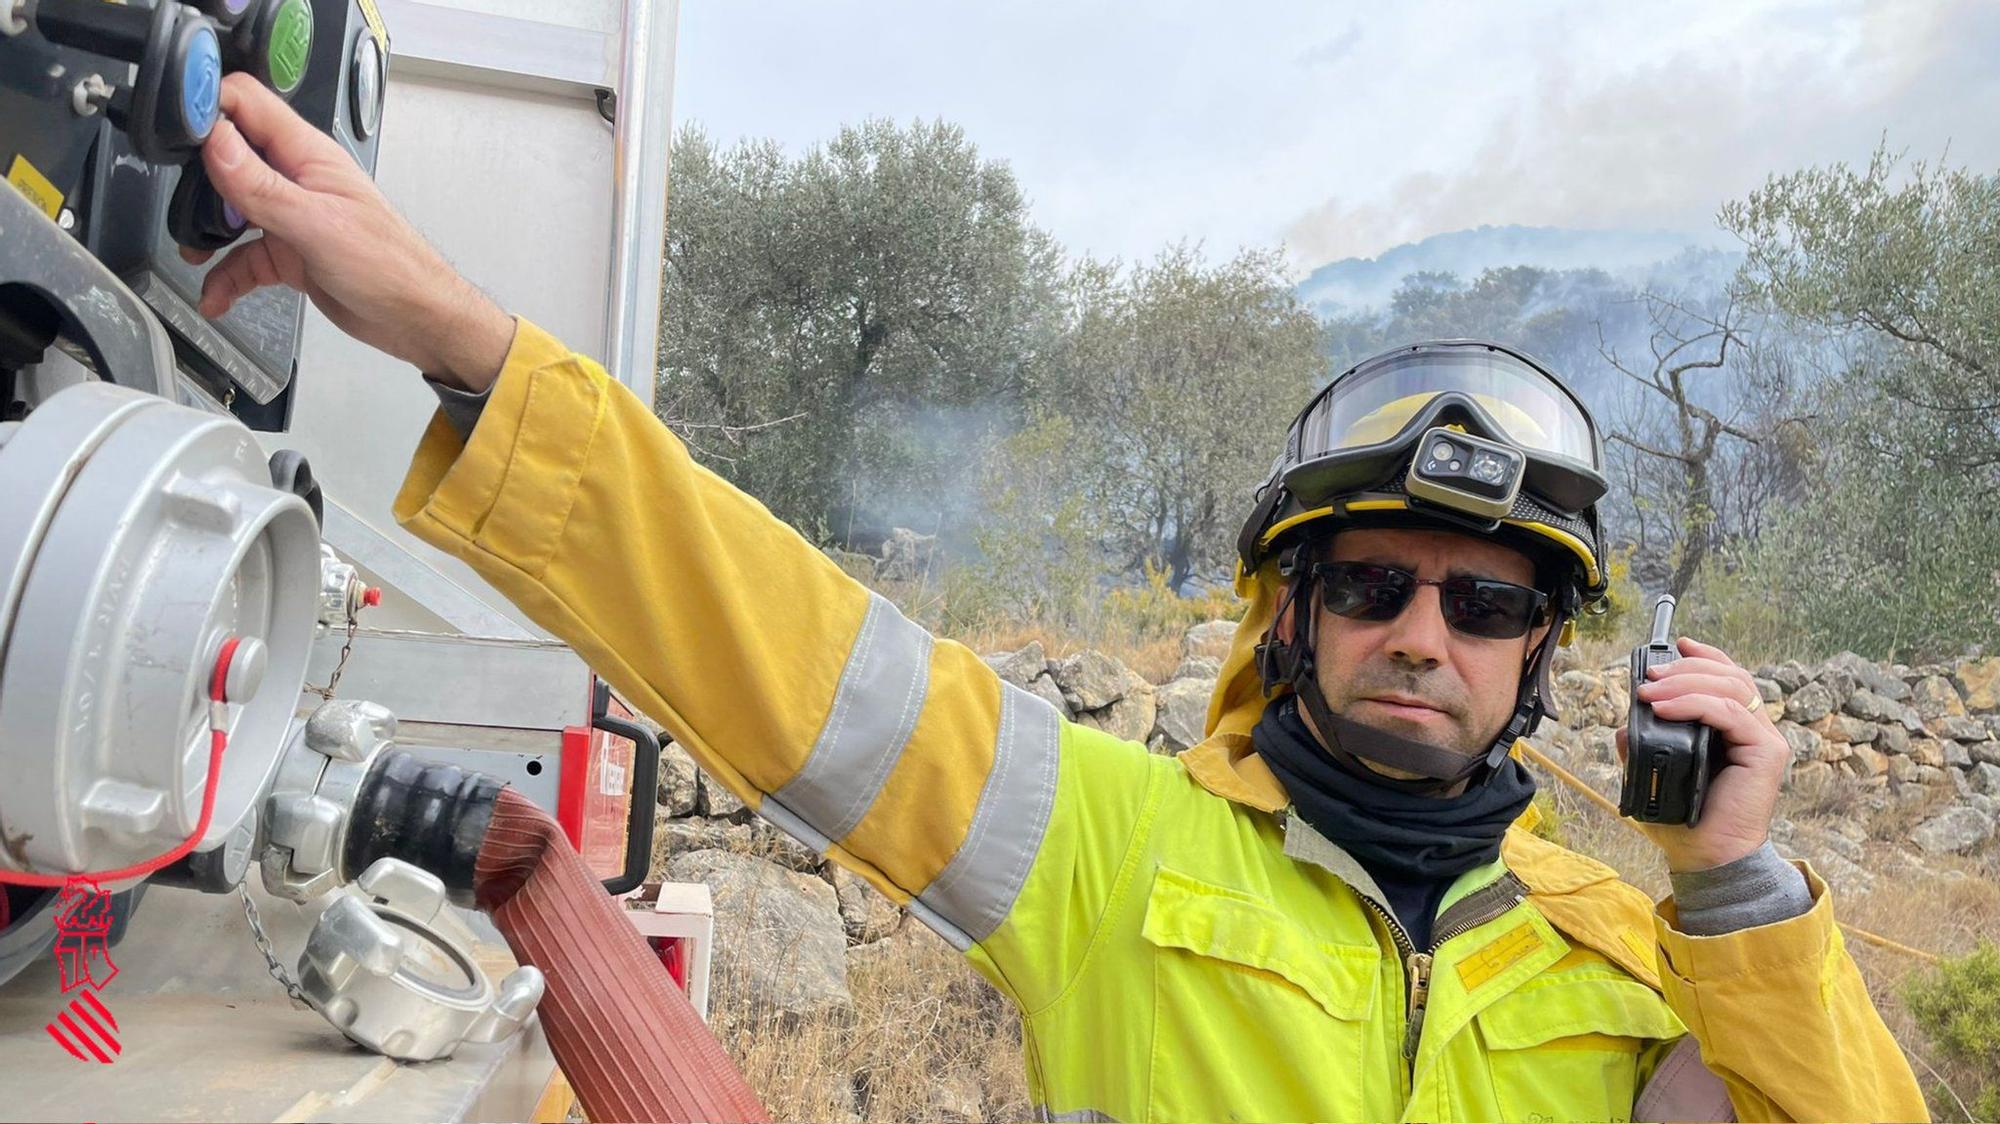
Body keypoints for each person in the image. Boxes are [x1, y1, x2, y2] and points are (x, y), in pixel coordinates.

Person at [186, 73, 1925, 1122]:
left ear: (1541, 656)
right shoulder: (1106, 843)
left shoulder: (1639, 963)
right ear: (1293, 615)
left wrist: (1736, 883)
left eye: (1485, 609)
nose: (1424, 635)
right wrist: (460, 339)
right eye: (1379, 582)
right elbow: (775, 631)